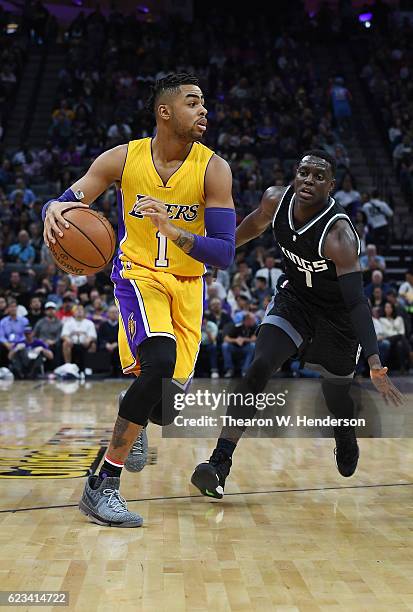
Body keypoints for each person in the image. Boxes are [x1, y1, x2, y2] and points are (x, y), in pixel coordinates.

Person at [43, 73, 235, 527]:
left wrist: (176, 230)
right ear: (164, 112)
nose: (203, 110)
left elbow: (224, 252)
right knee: (159, 364)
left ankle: (141, 418)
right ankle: (101, 485)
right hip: (138, 275)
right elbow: (70, 199)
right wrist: (50, 206)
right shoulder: (123, 159)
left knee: (166, 404)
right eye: (193, 102)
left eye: (204, 102)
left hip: (188, 287)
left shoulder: (214, 169)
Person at [191, 149, 403, 500]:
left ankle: (344, 431)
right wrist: (221, 253)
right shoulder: (276, 201)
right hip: (295, 303)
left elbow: (356, 301)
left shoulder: (339, 236)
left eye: (319, 176)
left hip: (338, 319)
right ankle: (219, 463)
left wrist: (375, 360)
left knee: (336, 396)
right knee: (258, 365)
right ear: (295, 174)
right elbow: (251, 226)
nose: (309, 180)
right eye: (304, 172)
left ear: (331, 186)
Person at [61, 304, 97, 369]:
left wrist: (88, 340)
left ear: (84, 312)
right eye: (77, 310)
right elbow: (64, 335)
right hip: (72, 344)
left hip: (85, 344)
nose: (79, 311)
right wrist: (68, 340)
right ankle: (68, 366)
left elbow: (93, 335)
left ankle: (88, 367)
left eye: (81, 310)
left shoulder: (89, 323)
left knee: (93, 345)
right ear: (73, 312)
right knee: (65, 344)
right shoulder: (68, 322)